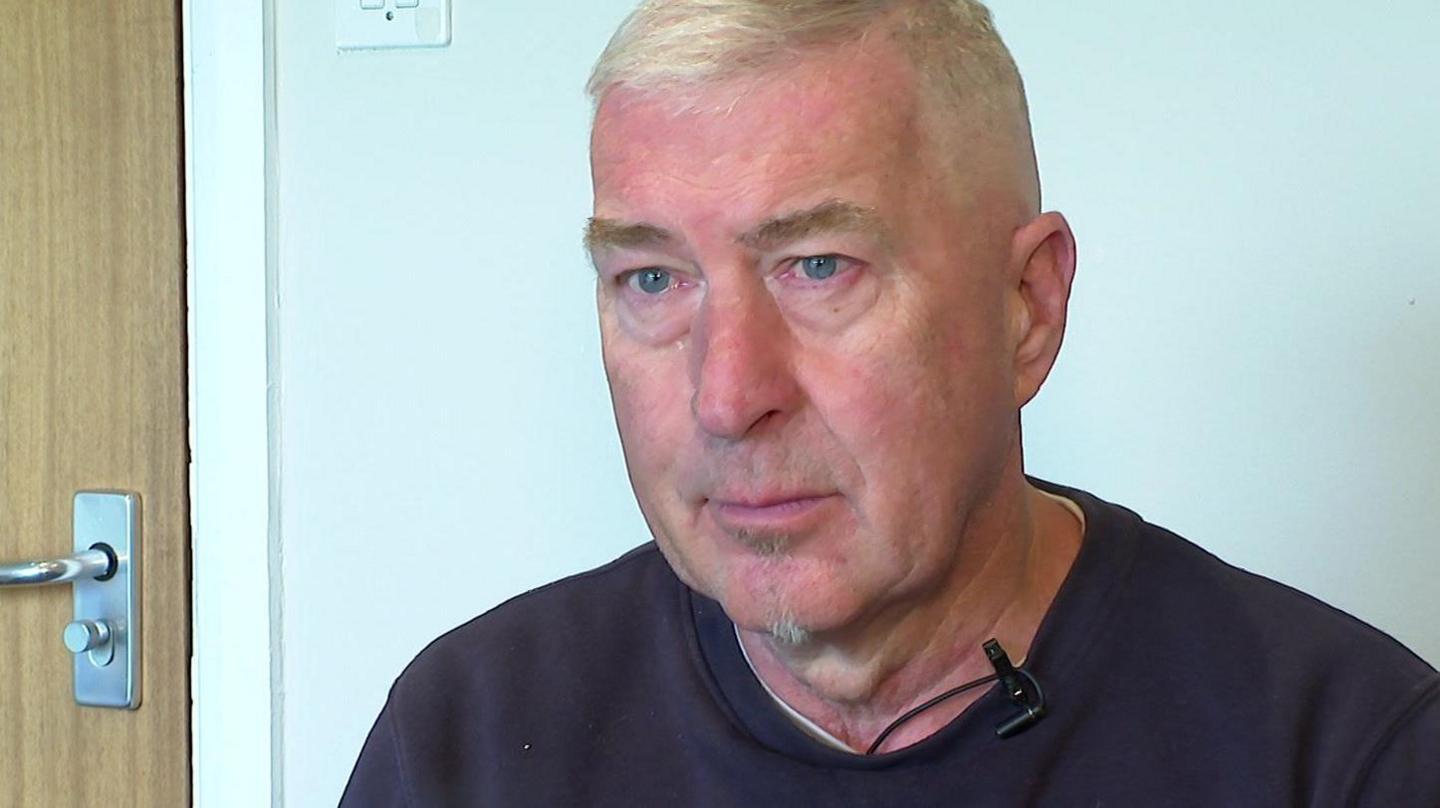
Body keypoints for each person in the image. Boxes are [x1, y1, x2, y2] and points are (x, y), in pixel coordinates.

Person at [341, 1, 1439, 804]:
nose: (728, 398)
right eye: (653, 280)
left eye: (818, 266)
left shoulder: (1345, 753)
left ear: (1025, 306)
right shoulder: (467, 744)